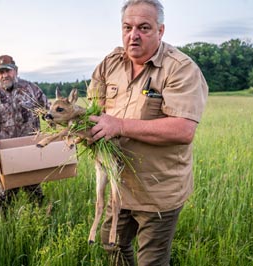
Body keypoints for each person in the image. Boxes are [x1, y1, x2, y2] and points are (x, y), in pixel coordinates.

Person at [87, 0, 208, 265]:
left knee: (151, 261)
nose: (134, 35)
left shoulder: (181, 69)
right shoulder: (110, 64)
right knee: (111, 243)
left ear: (160, 30)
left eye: (144, 27)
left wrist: (119, 125)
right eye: (127, 27)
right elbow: (95, 110)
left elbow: (184, 129)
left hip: (158, 190)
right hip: (120, 185)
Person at [0, 55, 49, 208]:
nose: (4, 75)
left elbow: (48, 112)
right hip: (5, 154)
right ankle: (5, 224)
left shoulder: (31, 90)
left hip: (30, 150)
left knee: (35, 193)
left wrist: (62, 122)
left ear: (15, 70)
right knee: (6, 195)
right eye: (0, 72)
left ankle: (40, 221)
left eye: (7, 71)